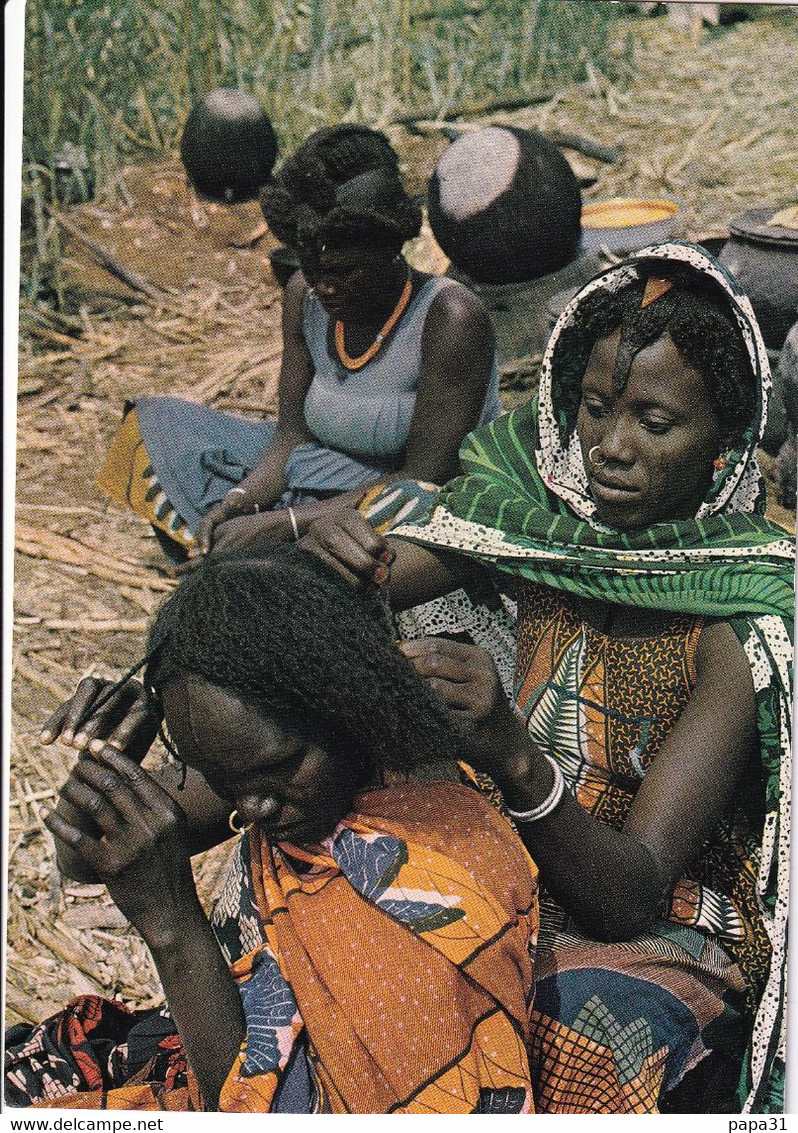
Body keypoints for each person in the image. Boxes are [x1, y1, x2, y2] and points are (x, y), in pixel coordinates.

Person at [302, 242, 794, 1114]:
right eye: (596, 409)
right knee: (334, 927)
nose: (609, 447)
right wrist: (330, 556)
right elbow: (380, 570)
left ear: (724, 443)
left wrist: (511, 752)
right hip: (516, 858)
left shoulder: (738, 617)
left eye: (654, 420)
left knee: (583, 1026)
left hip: (668, 909)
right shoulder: (548, 534)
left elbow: (629, 891)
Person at [4, 549, 538, 1114]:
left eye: (278, 769)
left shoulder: (416, 896)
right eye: (219, 776)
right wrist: (111, 771)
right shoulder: (295, 778)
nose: (251, 807)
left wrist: (174, 929)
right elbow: (92, 857)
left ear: (350, 710)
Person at [98, 124, 501, 562]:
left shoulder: (450, 318)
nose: (324, 288)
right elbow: (290, 436)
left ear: (390, 253)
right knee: (155, 427)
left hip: (396, 502)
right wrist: (239, 502)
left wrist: (280, 523)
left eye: (344, 271)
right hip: (315, 474)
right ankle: (222, 552)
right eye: (313, 268)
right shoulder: (303, 294)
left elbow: (430, 474)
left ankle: (274, 561)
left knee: (413, 501)